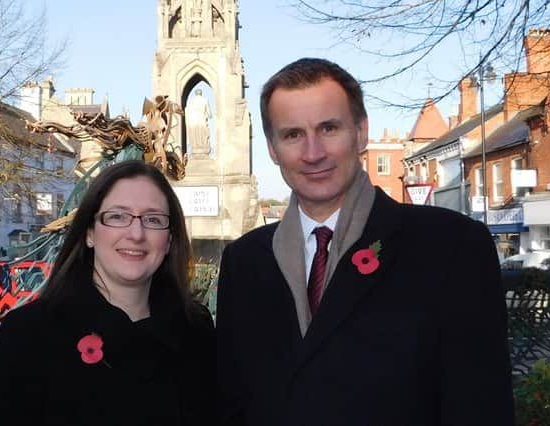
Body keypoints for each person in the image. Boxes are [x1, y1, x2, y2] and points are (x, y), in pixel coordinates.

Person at [216, 58, 515, 425]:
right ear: (273, 148)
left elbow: (481, 405)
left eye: (328, 128)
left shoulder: (451, 246)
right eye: (292, 134)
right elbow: (233, 402)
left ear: (361, 133)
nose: (313, 153)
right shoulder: (244, 261)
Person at [0, 160, 215, 426]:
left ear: (169, 240)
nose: (136, 233)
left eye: (153, 219)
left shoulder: (196, 331)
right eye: (117, 217)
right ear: (90, 232)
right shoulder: (28, 335)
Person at [185, 89, 212, 156]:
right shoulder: (205, 99)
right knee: (203, 133)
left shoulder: (191, 101)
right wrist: (209, 115)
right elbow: (209, 114)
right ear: (201, 93)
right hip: (201, 117)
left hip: (193, 119)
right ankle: (203, 146)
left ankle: (195, 146)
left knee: (195, 133)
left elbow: (187, 111)